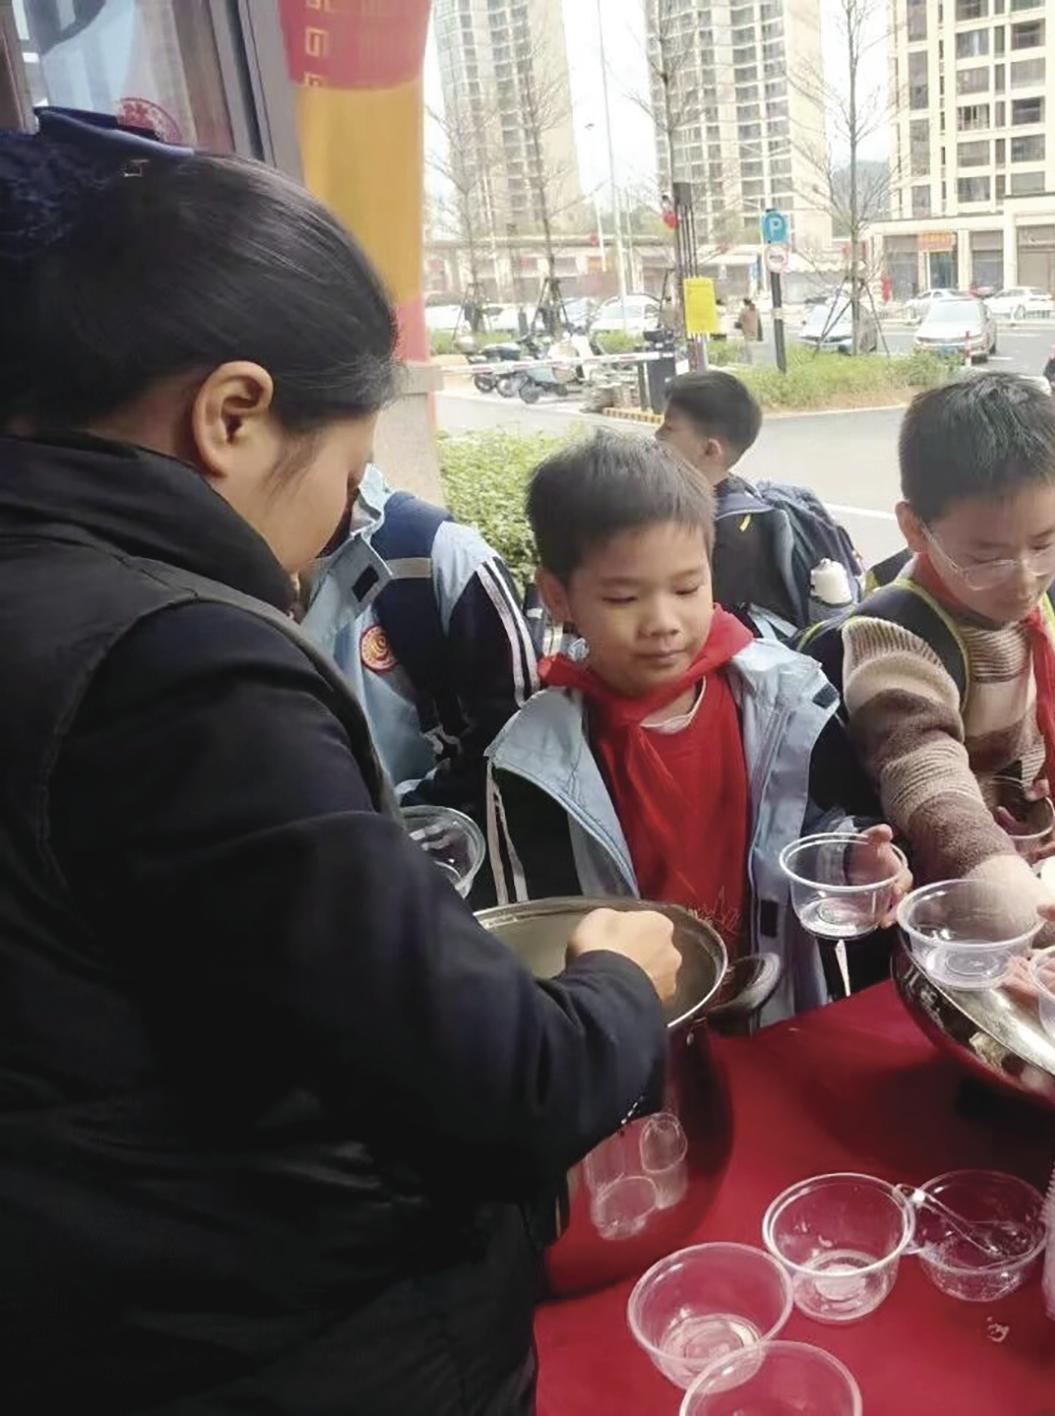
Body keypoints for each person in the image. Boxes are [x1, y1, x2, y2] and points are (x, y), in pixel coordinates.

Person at [0, 112, 680, 1413]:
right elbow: (505, 1087)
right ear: (233, 415)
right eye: (351, 472)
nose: (332, 532)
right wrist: (617, 981)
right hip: (296, 1343)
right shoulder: (182, 668)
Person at [481, 432, 902, 1021]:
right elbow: (535, 932)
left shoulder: (784, 700)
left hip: (770, 1005)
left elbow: (803, 828)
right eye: (623, 598)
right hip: (633, 1031)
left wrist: (850, 859)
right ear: (558, 596)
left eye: (686, 588)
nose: (663, 622)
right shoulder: (533, 762)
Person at [841, 374, 1055, 929]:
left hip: (1018, 874)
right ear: (915, 529)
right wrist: (1047, 929)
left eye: (1045, 540)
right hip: (930, 900)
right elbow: (932, 787)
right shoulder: (892, 636)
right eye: (987, 558)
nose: (1025, 579)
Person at [298, 462, 536, 818]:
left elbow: (517, 738)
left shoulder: (443, 557)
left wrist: (407, 817)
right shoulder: (235, 575)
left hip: (437, 838)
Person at [655, 369, 863, 637]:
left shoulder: (723, 534)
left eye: (669, 428)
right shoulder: (735, 496)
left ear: (710, 449)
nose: (657, 436)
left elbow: (699, 629)